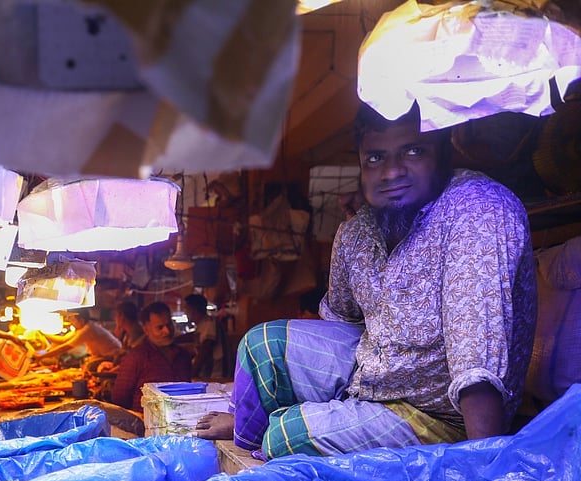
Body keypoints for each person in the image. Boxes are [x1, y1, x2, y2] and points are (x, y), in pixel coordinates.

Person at [194, 101, 536, 458]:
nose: (391, 173)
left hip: (444, 417)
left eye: (413, 151)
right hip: (375, 378)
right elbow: (339, 327)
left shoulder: (476, 209)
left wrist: (485, 467)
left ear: (443, 155)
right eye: (375, 158)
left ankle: (275, 434)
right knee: (261, 344)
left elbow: (475, 357)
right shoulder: (359, 230)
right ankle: (255, 432)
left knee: (286, 435)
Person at [110, 301, 193, 412]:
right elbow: (119, 400)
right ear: (146, 329)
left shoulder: (183, 356)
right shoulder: (135, 358)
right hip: (144, 425)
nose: (167, 331)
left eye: (169, 325)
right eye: (160, 327)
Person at [38, 308, 122, 365]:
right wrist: (41, 332)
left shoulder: (88, 329)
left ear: (81, 320)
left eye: (72, 319)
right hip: (104, 355)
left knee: (89, 366)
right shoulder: (82, 328)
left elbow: (65, 347)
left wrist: (41, 356)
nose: (71, 322)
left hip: (114, 356)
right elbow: (62, 340)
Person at [181, 294, 217, 379]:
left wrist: (191, 374)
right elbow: (191, 336)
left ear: (193, 310)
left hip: (214, 375)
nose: (185, 312)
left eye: (186, 308)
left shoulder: (209, 324)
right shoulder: (202, 324)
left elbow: (204, 352)